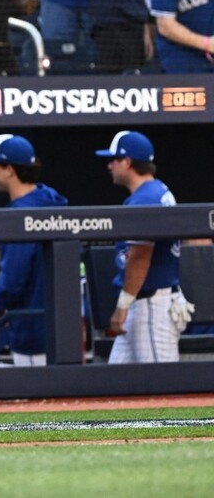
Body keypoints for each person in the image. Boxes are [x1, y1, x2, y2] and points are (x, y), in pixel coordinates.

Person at [95, 130, 191, 363]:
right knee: (116, 387)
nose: (109, 166)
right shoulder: (156, 190)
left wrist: (122, 306)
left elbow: (140, 257)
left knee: (162, 388)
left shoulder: (146, 198)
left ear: (127, 162)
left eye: (113, 160)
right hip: (146, 301)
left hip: (152, 306)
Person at [0, 134, 68, 366]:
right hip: (65, 323)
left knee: (41, 399)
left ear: (9, 170)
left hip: (33, 329)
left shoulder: (20, 214)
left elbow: (13, 277)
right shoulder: (50, 200)